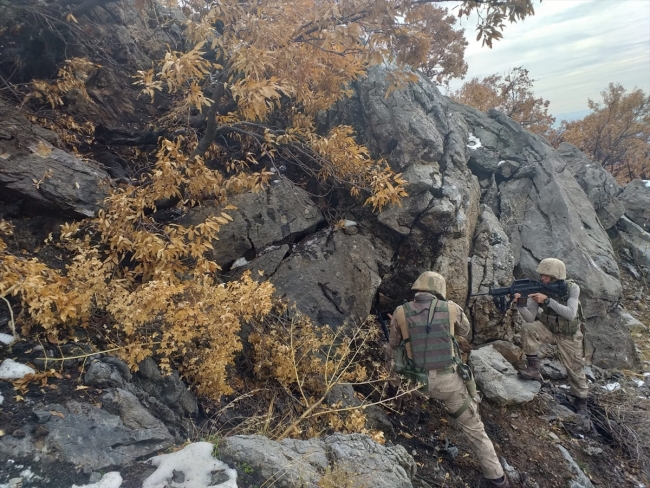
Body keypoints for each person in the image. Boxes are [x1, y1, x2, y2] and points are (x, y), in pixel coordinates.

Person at [388, 271, 510, 488]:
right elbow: (465, 330)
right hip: (449, 386)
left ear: (417, 288)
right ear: (439, 290)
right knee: (475, 428)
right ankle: (496, 477)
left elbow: (393, 343)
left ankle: (392, 403)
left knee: (393, 363)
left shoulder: (400, 312)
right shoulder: (452, 308)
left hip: (414, 383)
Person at [514, 258, 591, 430]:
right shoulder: (540, 289)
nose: (543, 279)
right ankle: (534, 368)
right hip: (549, 329)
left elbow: (571, 314)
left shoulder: (572, 288)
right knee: (528, 328)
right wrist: (520, 304)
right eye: (542, 275)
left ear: (557, 276)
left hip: (569, 334)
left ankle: (581, 402)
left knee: (575, 368)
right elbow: (530, 318)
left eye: (547, 276)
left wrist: (547, 301)